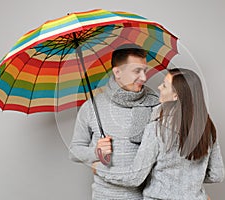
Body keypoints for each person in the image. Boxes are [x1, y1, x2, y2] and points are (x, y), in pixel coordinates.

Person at [93, 68, 225, 200]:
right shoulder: (207, 128)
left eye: (164, 85)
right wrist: (190, 183)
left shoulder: (158, 128)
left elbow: (135, 177)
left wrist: (100, 169)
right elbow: (217, 174)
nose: (159, 87)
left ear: (176, 96)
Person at [69, 44, 160, 199]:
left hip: (147, 196)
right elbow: (74, 151)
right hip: (104, 195)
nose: (144, 78)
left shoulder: (156, 104)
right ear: (117, 72)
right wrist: (96, 152)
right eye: (137, 71)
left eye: (145, 70)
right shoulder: (92, 106)